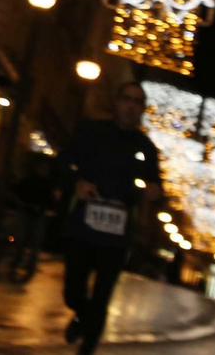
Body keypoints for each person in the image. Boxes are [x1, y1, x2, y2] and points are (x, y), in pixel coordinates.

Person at [56, 81, 161, 355]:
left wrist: (153, 191)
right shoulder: (92, 132)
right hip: (84, 225)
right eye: (127, 99)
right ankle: (81, 313)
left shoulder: (146, 148)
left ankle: (87, 348)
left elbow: (155, 185)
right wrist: (77, 183)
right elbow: (63, 162)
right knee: (72, 291)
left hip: (117, 234)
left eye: (137, 101)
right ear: (116, 102)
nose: (131, 106)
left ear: (143, 109)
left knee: (102, 295)